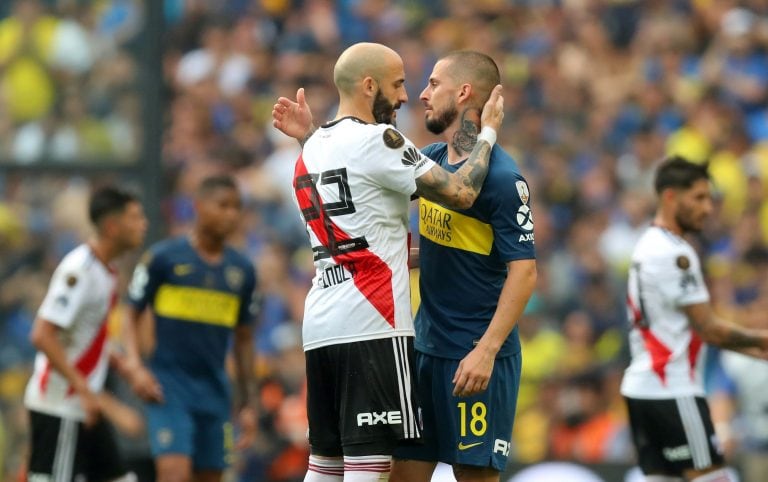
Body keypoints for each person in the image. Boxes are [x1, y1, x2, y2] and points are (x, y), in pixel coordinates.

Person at [271, 42, 505, 480]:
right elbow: (463, 192)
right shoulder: (380, 141)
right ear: (369, 85)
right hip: (373, 325)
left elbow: (361, 223)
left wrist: (307, 134)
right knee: (371, 466)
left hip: (321, 327)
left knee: (324, 466)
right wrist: (487, 131)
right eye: (398, 85)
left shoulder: (310, 147)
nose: (404, 96)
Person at [621, 156, 768, 482]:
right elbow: (710, 329)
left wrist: (756, 351)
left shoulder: (646, 245)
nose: (708, 208)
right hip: (672, 389)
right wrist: (761, 340)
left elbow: (686, 330)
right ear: (671, 196)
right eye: (699, 198)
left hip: (642, 391)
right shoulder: (677, 253)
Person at [123, 174, 259, 482]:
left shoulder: (243, 271)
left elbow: (245, 339)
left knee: (210, 476)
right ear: (198, 206)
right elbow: (130, 313)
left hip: (215, 390)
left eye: (237, 207)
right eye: (222, 205)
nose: (231, 214)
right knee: (174, 473)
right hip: (169, 387)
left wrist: (249, 403)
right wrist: (134, 364)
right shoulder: (163, 258)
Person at [24, 185, 147, 482]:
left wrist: (125, 366)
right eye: (135, 217)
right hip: (61, 404)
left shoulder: (108, 271)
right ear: (112, 226)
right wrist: (83, 389)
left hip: (81, 403)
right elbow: (42, 335)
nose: (143, 224)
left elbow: (87, 338)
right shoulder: (79, 270)